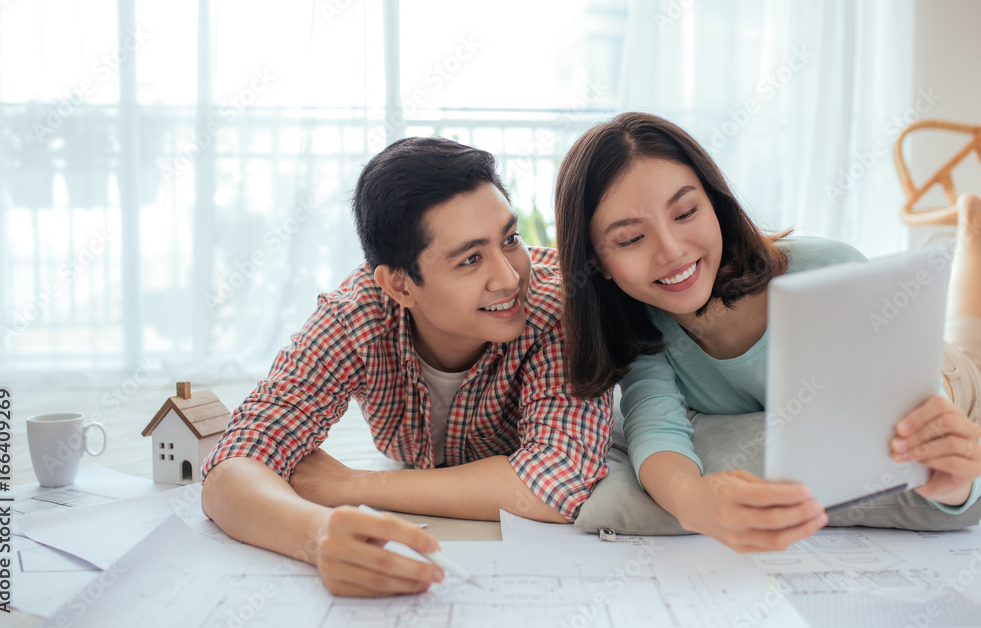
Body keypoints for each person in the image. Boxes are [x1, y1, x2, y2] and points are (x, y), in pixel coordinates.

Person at [200, 137, 612, 597]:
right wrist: (317, 534)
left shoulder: (555, 307)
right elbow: (232, 465)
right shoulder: (357, 316)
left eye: (510, 240)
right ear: (398, 284)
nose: (511, 277)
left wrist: (350, 485)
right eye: (471, 259)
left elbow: (557, 482)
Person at [554, 111, 981, 553]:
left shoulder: (828, 269)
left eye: (685, 212)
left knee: (970, 339)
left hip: (948, 376)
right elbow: (653, 425)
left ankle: (971, 226)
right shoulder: (639, 326)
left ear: (715, 203)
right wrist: (692, 500)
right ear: (598, 262)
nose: (672, 250)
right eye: (629, 239)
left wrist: (950, 479)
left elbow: (915, 416)